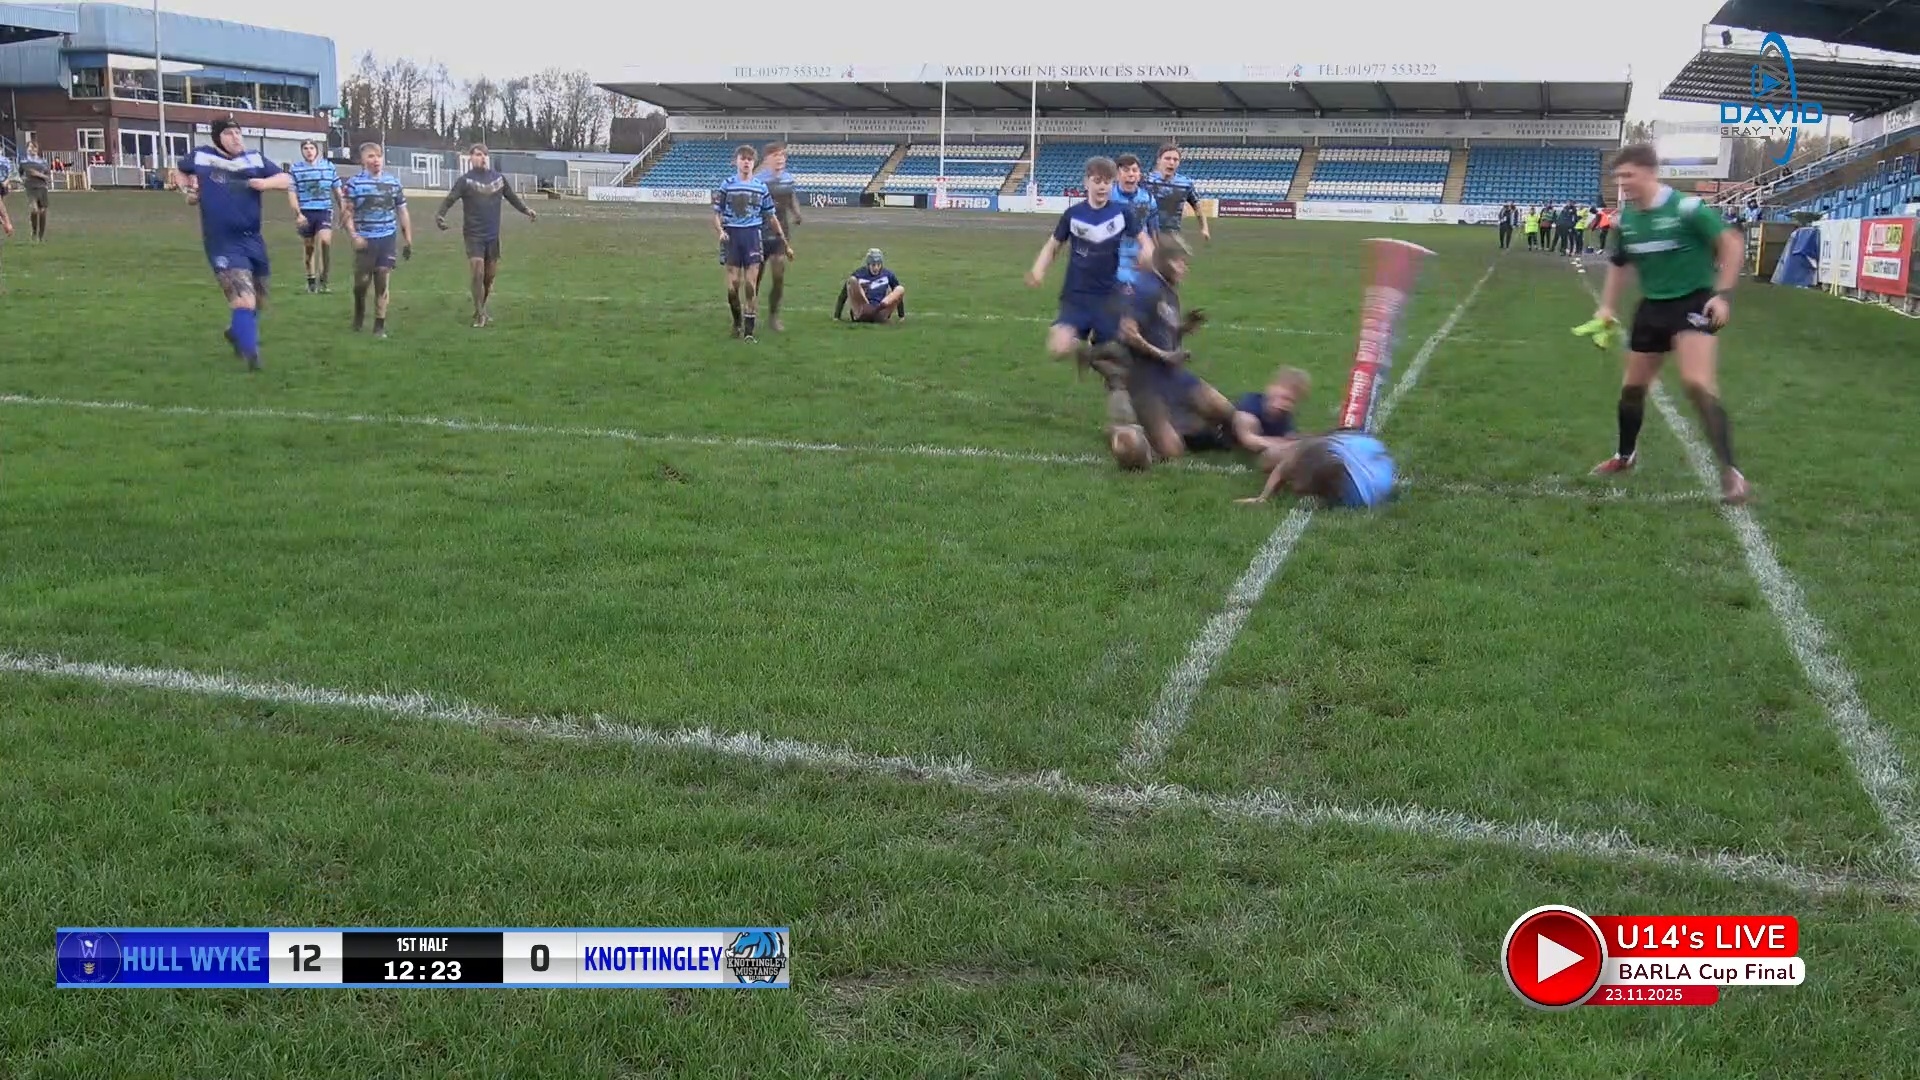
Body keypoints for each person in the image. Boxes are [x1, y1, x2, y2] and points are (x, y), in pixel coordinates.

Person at [1588, 143, 1749, 504]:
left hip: (1693, 304)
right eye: (1619, 177)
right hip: (1652, 308)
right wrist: (1607, 306)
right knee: (1632, 389)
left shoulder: (1687, 209)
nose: (1623, 183)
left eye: (1628, 175)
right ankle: (1625, 456)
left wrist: (1723, 295)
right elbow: (1619, 265)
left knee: (1697, 383)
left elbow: (1731, 243)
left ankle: (1731, 473)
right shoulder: (1627, 220)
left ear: (1650, 172)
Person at [172, 118, 291, 371]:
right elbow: (179, 170)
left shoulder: (254, 159)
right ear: (217, 138)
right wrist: (188, 191)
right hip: (222, 241)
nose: (236, 137)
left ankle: (237, 331)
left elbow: (286, 179)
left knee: (259, 298)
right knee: (243, 300)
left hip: (253, 239)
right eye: (229, 133)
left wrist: (265, 183)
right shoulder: (201, 156)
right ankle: (251, 356)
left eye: (238, 132)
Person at [1025, 155, 1152, 362]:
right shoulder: (1073, 215)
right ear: (1086, 182)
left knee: (1114, 355)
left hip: (1107, 296)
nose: (1102, 187)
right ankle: (1085, 343)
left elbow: (1144, 239)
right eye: (1097, 181)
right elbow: (1052, 246)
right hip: (1076, 295)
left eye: (1107, 182)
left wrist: (1147, 251)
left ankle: (1097, 346)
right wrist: (1038, 270)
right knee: (1059, 349)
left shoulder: (1121, 213)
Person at [435, 143, 537, 328]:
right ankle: (480, 314)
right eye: (478, 154)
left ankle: (480, 307)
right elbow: (450, 199)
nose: (482, 157)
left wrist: (526, 210)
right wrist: (440, 215)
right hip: (473, 234)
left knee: (489, 278)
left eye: (484, 154)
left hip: (492, 235)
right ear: (471, 158)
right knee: (477, 272)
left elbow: (512, 197)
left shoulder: (498, 179)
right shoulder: (465, 181)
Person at [713, 144, 788, 342]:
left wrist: (783, 239)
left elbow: (771, 216)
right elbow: (717, 214)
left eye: (750, 159)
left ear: (754, 163)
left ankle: (748, 332)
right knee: (733, 286)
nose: (746, 162)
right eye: (743, 159)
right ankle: (737, 322)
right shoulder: (727, 185)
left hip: (753, 237)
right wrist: (720, 231)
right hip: (732, 237)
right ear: (736, 161)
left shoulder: (761, 187)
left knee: (750, 285)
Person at [338, 142, 413, 338]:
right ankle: (359, 313)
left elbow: (402, 211)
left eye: (378, 156)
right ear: (362, 160)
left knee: (382, 279)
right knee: (361, 283)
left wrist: (408, 239)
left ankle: (379, 326)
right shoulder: (354, 184)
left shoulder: (393, 183)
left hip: (387, 238)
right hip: (365, 239)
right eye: (371, 156)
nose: (376, 160)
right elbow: (346, 214)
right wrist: (354, 236)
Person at [753, 142, 801, 332]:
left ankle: (773, 316)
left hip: (781, 234)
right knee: (755, 277)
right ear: (767, 160)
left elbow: (791, 197)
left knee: (778, 275)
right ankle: (751, 313)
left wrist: (796, 212)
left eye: (782, 155)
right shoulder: (758, 180)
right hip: (759, 233)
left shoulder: (788, 179)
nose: (780, 158)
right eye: (776, 155)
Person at [287, 139, 341, 293]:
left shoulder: (328, 167)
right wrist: (298, 214)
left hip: (324, 210)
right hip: (306, 212)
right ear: (302, 151)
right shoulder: (296, 169)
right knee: (309, 247)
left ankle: (324, 280)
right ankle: (311, 280)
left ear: (317, 150)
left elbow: (337, 191)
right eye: (305, 148)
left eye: (311, 148)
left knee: (325, 242)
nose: (309, 151)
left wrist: (343, 210)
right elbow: (292, 193)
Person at [1143, 144, 1210, 242]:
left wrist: (1204, 228)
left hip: (1172, 235)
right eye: (1167, 158)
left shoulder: (1185, 184)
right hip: (1148, 235)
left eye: (1175, 160)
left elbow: (1198, 207)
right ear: (1158, 160)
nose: (1171, 162)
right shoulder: (1146, 181)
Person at [1110, 153, 1158, 286]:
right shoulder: (1108, 197)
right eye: (1126, 170)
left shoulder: (1148, 199)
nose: (1131, 174)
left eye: (1134, 170)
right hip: (1113, 259)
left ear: (1139, 175)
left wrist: (1154, 255)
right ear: (1117, 175)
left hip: (1140, 259)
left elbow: (1154, 230)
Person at [833, 248, 906, 323]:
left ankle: (883, 305)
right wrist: (837, 316)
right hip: (863, 309)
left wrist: (901, 316)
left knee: (900, 289)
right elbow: (843, 295)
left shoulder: (888, 274)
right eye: (873, 265)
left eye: (878, 265)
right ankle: (864, 311)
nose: (876, 268)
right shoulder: (859, 274)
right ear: (868, 264)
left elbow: (898, 296)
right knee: (852, 280)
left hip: (880, 310)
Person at [19, 143, 51, 242]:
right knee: (34, 210)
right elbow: (20, 174)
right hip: (30, 189)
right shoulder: (23, 162)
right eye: (30, 147)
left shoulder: (43, 162)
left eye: (34, 147)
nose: (32, 149)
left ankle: (41, 236)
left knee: (42, 212)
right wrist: (22, 180)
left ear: (37, 149)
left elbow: (48, 177)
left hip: (42, 188)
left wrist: (38, 174)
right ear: (27, 149)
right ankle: (34, 232)